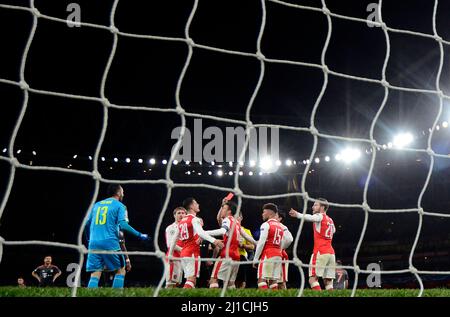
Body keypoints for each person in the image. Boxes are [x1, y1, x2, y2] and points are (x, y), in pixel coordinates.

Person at [85, 184, 150, 289]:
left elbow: (87, 224)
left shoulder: (96, 205)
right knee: (121, 270)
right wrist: (140, 235)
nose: (123, 194)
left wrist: (89, 238)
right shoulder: (120, 205)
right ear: (119, 193)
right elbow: (123, 224)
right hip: (109, 242)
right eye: (122, 191)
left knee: (95, 273)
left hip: (93, 243)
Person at [169, 197, 224, 289]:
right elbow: (201, 232)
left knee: (190, 280)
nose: (198, 205)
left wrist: (170, 254)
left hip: (183, 254)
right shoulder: (194, 219)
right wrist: (214, 240)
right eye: (196, 203)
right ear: (191, 206)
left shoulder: (181, 222)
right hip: (192, 253)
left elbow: (174, 239)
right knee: (191, 280)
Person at [205, 199, 256, 289]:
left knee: (214, 279)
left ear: (229, 211)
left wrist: (204, 232)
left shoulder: (227, 219)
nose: (222, 211)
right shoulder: (237, 223)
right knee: (230, 283)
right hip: (236, 256)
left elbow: (222, 230)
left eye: (224, 208)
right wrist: (258, 243)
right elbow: (248, 237)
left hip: (226, 254)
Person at [289, 198, 336, 291]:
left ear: (322, 207)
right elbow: (334, 231)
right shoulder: (330, 220)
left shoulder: (320, 216)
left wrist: (298, 214)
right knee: (328, 282)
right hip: (331, 253)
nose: (312, 207)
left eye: (315, 205)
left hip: (320, 251)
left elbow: (311, 217)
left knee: (312, 279)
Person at [253, 203, 292, 290]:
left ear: (269, 213)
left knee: (261, 280)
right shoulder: (281, 227)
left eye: (263, 212)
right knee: (273, 281)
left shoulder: (266, 224)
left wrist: (255, 259)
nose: (262, 214)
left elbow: (261, 242)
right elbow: (284, 241)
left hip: (268, 254)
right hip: (278, 255)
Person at [164, 207, 186, 288]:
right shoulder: (171, 228)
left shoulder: (185, 228)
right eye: (179, 213)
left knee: (177, 284)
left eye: (183, 213)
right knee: (170, 284)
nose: (181, 215)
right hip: (173, 258)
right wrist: (184, 250)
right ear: (174, 215)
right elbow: (170, 244)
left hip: (182, 259)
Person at [235, 214, 255, 288]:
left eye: (237, 216)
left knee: (241, 280)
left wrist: (243, 246)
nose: (236, 218)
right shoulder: (229, 229)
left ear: (241, 218)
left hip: (241, 257)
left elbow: (252, 246)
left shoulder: (246, 231)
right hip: (229, 257)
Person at [276, 211, 293, 289]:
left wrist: (280, 248)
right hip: (271, 255)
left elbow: (290, 239)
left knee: (281, 282)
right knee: (272, 281)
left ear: (280, 218)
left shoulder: (282, 227)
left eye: (275, 215)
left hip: (281, 255)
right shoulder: (270, 225)